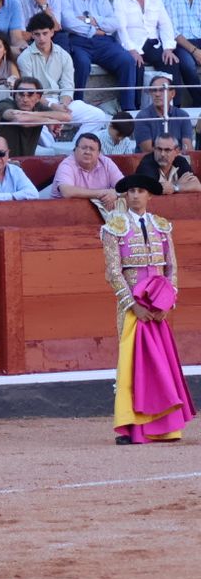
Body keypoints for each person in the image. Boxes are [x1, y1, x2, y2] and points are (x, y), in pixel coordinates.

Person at [101, 174, 194, 443]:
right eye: (131, 191)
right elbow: (113, 273)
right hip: (133, 309)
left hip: (157, 309)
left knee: (160, 367)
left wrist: (167, 303)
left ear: (149, 196)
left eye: (140, 191)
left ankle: (165, 428)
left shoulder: (163, 227)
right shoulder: (113, 227)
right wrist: (133, 305)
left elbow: (171, 267)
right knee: (131, 367)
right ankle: (131, 427)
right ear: (125, 196)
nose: (135, 195)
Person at [56, 0, 140, 113]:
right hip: (77, 41)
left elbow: (115, 23)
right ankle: (76, 108)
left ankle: (128, 109)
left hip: (103, 43)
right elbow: (68, 22)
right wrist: (96, 29)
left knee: (127, 60)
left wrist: (90, 20)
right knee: (81, 63)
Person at [17, 11, 110, 136]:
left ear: (52, 32)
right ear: (32, 35)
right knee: (39, 127)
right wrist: (52, 106)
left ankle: (75, 149)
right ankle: (52, 151)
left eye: (45, 33)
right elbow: (30, 93)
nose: (42, 38)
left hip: (62, 102)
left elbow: (67, 86)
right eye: (37, 34)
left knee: (98, 115)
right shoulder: (24, 58)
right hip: (39, 105)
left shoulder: (64, 55)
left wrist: (63, 106)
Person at [116, 0, 195, 106]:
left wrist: (168, 48)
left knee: (171, 62)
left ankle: (174, 106)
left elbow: (165, 24)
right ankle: (136, 108)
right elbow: (121, 29)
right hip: (132, 44)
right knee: (135, 65)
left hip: (153, 43)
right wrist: (132, 50)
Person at [0, 76, 71, 156]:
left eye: (30, 94)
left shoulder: (37, 107)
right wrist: (48, 120)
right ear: (14, 95)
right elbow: (20, 119)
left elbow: (66, 116)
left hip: (26, 160)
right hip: (4, 161)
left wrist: (34, 114)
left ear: (38, 98)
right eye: (21, 94)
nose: (25, 99)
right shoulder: (5, 104)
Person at [52, 131, 124, 202]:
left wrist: (116, 194)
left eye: (92, 149)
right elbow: (67, 192)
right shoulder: (67, 165)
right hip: (65, 210)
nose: (87, 152)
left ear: (99, 153)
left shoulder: (106, 163)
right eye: (83, 148)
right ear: (75, 150)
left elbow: (126, 187)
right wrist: (103, 193)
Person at [133, 75, 193, 152]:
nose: (157, 94)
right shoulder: (142, 117)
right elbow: (147, 151)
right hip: (150, 162)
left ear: (172, 93)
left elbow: (187, 148)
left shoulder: (182, 115)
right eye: (154, 90)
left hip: (177, 161)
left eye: (162, 90)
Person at [136, 132, 201, 193]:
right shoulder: (147, 163)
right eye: (159, 149)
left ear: (177, 151)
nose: (162, 154)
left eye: (167, 150)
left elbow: (197, 185)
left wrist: (175, 187)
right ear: (154, 149)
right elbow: (152, 188)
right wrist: (177, 184)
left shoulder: (181, 161)